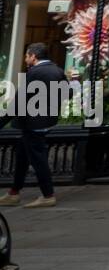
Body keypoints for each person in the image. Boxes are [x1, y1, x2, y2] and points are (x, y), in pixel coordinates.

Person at [0, 43, 68, 209]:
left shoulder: (35, 72)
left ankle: (48, 195)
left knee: (38, 161)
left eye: (26, 56)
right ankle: (14, 193)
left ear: (33, 56)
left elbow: (19, 102)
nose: (25, 59)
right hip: (45, 121)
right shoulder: (58, 70)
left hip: (33, 123)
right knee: (22, 158)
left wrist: (1, 122)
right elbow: (68, 93)